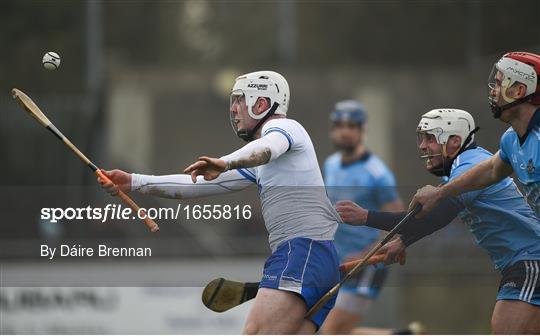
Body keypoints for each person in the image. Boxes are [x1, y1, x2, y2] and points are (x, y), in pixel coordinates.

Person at [98, 71, 342, 334]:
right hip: (313, 257)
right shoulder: (261, 164)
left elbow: (269, 146)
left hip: (302, 253)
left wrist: (226, 162)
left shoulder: (284, 129)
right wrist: (134, 182)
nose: (234, 109)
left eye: (239, 100)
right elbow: (195, 186)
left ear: (261, 104)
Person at [335, 108, 540, 334]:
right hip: (522, 262)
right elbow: (435, 218)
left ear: (454, 141)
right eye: (422, 138)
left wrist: (366, 217)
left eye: (430, 138)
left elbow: (431, 218)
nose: (422, 146)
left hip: (530, 259)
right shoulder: (459, 170)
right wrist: (404, 241)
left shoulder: (469, 165)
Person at [410, 51, 540, 217]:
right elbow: (491, 170)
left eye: (499, 83)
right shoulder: (511, 139)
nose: (494, 91)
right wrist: (439, 193)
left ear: (519, 91)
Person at [319, 100, 405, 334]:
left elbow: (398, 225)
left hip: (364, 266)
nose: (345, 131)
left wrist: (365, 257)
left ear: (363, 130)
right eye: (339, 124)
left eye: (352, 125)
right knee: (329, 331)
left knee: (330, 331)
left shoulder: (378, 174)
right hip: (335, 263)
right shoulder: (331, 164)